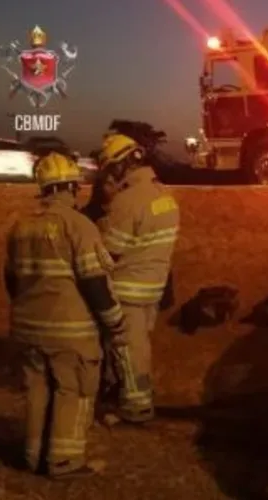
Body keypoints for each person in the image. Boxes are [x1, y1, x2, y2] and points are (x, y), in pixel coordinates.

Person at [4, 152, 128, 479]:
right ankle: (63, 462)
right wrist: (115, 322)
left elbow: (11, 280)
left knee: (37, 390)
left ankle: (32, 457)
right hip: (70, 331)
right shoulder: (78, 225)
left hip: (28, 328)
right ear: (73, 186)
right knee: (73, 391)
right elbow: (95, 282)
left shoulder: (20, 227)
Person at [94, 133, 179, 424]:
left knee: (127, 350)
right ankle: (138, 398)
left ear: (119, 167)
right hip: (153, 288)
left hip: (127, 288)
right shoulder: (164, 196)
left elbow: (109, 253)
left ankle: (135, 408)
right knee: (140, 347)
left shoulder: (127, 201)